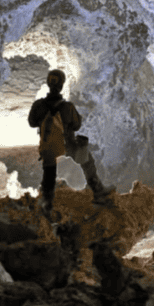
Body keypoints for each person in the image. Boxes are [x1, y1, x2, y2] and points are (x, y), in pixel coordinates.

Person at [28, 69, 115, 217]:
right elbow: (76, 125)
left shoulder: (38, 105)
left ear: (48, 84)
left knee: (49, 173)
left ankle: (47, 204)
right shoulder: (67, 107)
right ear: (62, 85)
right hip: (67, 146)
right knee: (86, 159)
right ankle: (98, 192)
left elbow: (32, 122)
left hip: (47, 147)